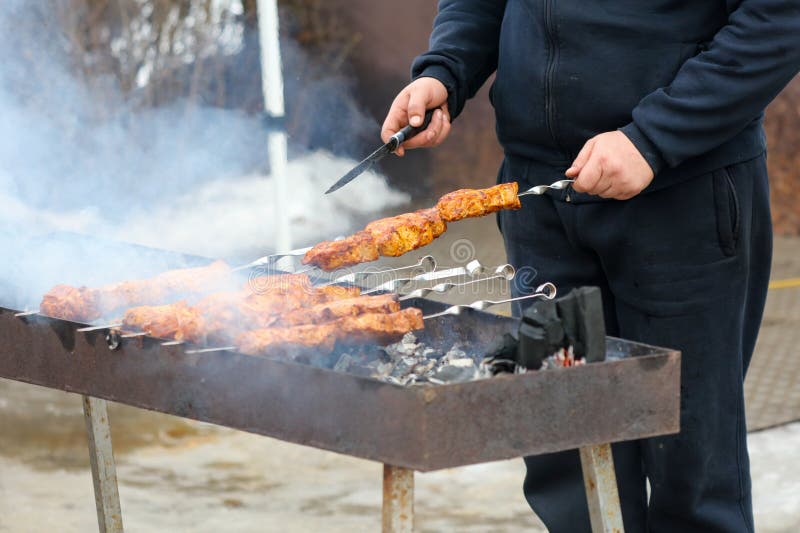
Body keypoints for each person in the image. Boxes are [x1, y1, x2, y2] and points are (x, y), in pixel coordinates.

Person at [380, 2, 800, 532]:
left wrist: (654, 137)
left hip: (683, 195)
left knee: (689, 460)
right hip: (539, 198)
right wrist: (447, 68)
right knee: (566, 446)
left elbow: (780, 15)